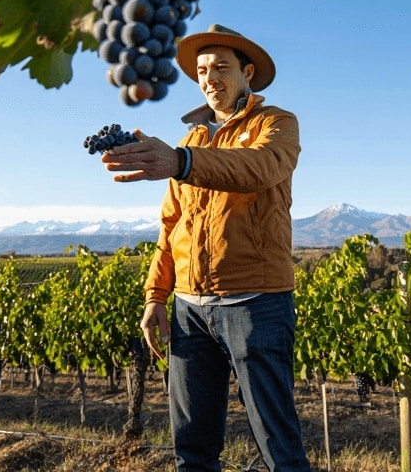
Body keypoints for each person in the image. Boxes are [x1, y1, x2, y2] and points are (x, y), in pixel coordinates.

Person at [102, 24, 311, 472]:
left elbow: (260, 167)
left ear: (247, 73)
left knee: (278, 448)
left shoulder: (276, 124)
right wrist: (156, 295)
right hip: (189, 309)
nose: (210, 78)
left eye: (221, 67)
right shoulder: (193, 139)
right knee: (192, 449)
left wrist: (182, 162)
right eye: (201, 70)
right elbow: (171, 224)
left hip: (256, 303)